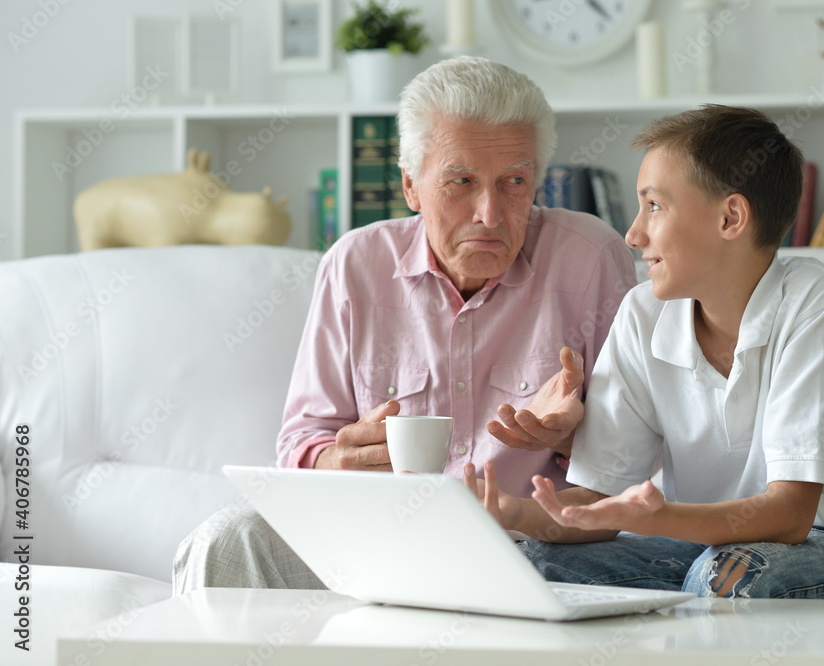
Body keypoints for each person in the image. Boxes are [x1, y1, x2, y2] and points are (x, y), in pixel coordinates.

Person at [172, 56, 637, 593]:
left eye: (514, 181)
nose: (490, 211)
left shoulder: (589, 258)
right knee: (229, 539)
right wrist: (335, 460)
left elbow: (631, 466)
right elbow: (304, 440)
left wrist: (572, 436)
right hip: (381, 541)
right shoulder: (354, 265)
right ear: (411, 187)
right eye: (461, 181)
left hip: (533, 550)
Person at [466, 105, 824, 599]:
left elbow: (791, 516)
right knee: (529, 563)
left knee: (731, 578)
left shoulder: (814, 301)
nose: (633, 235)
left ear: (731, 217)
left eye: (654, 206)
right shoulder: (641, 314)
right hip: (701, 547)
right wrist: (506, 512)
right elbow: (597, 503)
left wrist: (659, 517)